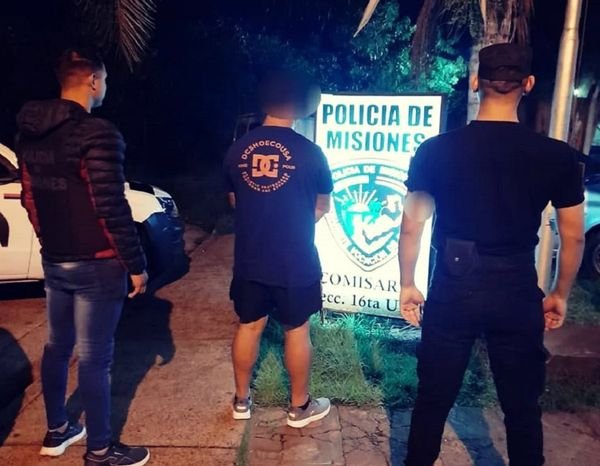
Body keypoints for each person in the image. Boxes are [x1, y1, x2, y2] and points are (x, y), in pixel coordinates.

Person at [398, 43, 585, 466]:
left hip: (454, 286)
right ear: (528, 84)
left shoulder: (435, 150)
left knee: (432, 400)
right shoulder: (556, 156)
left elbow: (412, 224)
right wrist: (559, 294)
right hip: (516, 288)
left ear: (475, 82)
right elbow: (572, 237)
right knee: (522, 407)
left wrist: (408, 283)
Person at [15, 48, 151, 466]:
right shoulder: (97, 133)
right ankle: (100, 450)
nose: (104, 87)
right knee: (95, 356)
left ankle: (58, 430)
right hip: (97, 262)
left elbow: (29, 196)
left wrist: (48, 241)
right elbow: (109, 205)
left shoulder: (30, 132)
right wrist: (135, 264)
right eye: (104, 80)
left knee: (57, 346)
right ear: (92, 81)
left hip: (56, 259)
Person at [223, 71, 333, 428]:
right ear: (298, 106)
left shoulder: (237, 149)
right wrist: (294, 222)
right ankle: (299, 408)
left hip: (250, 258)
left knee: (248, 326)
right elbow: (322, 206)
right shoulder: (311, 152)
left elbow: (234, 200)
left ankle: (241, 401)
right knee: (297, 330)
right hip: (295, 259)